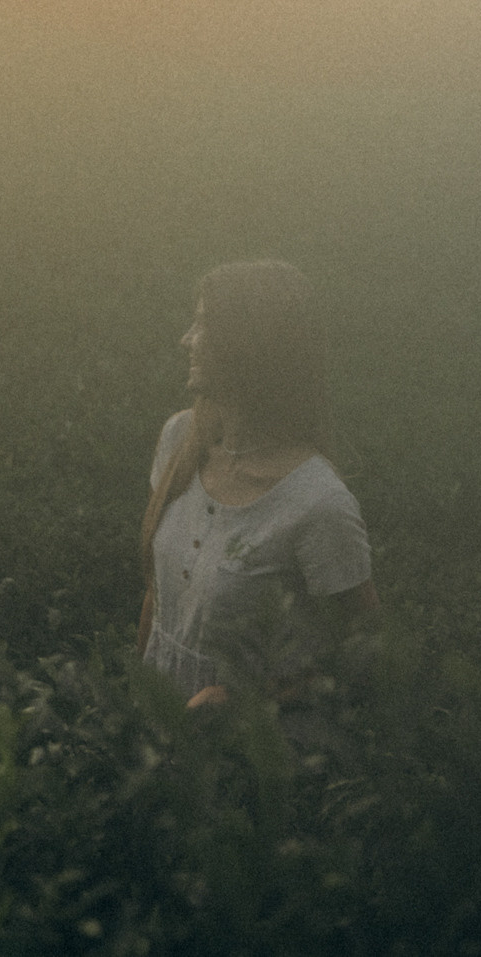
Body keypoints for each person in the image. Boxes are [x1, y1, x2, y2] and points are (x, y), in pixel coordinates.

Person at [137, 260, 379, 709]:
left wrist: (241, 701)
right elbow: (158, 598)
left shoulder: (318, 504)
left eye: (205, 324)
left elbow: (361, 657)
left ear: (251, 346)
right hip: (158, 733)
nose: (186, 339)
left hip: (254, 754)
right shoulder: (180, 440)